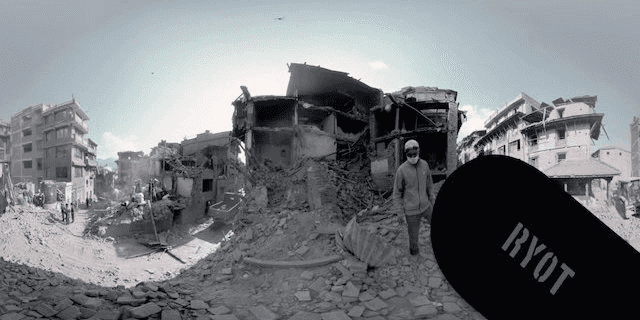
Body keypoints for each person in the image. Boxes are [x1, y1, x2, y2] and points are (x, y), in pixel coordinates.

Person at [393, 139, 436, 257]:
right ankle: (414, 253)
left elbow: (430, 185)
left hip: (426, 206)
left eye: (414, 154)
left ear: (419, 151)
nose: (412, 157)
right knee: (413, 237)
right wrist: (400, 213)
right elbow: (397, 194)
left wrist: (433, 201)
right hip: (411, 211)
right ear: (406, 154)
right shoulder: (401, 170)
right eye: (409, 155)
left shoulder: (425, 165)